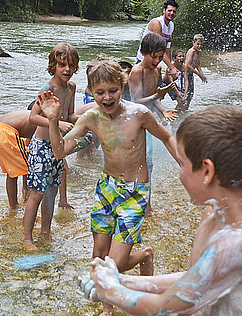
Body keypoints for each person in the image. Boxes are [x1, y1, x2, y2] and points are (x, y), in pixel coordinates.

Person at [79, 105, 242, 315]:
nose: (180, 174)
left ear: (207, 171)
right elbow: (194, 279)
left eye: (182, 163)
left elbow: (164, 307)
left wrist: (110, 291)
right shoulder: (215, 213)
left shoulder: (240, 243)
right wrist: (121, 280)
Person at [37, 58, 179, 315]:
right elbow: (59, 151)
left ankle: (145, 255)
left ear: (121, 86)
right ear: (90, 91)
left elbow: (167, 136)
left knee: (118, 263)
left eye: (112, 90)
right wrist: (53, 120)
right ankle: (108, 309)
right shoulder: (91, 117)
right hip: (107, 188)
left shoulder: (139, 114)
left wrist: (186, 167)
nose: (107, 98)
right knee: (99, 255)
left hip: (135, 191)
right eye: (100, 92)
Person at [23, 42, 79, 251]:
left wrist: (85, 121)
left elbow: (70, 114)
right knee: (36, 192)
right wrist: (56, 122)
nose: (66, 70)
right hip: (41, 146)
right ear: (53, 66)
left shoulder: (71, 87)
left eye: (71, 66)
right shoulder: (48, 88)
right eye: (62, 65)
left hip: (58, 146)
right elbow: (33, 117)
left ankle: (45, 231)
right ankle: (26, 238)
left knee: (52, 191)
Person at [129, 33, 178, 170]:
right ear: (143, 53)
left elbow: (152, 97)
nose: (157, 61)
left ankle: (148, 188)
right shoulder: (138, 71)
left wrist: (164, 111)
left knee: (149, 158)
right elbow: (136, 101)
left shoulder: (158, 69)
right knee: (142, 157)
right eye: (154, 57)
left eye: (161, 57)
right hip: (134, 118)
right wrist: (157, 96)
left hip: (147, 115)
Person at [0, 109, 36, 209]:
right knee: (29, 169)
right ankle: (21, 204)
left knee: (12, 171)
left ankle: (14, 205)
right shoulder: (44, 120)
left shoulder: (29, 116)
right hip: (6, 133)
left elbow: (27, 148)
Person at [136, 0, 178, 69]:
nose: (171, 13)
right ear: (164, 11)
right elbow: (158, 47)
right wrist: (171, 67)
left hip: (155, 61)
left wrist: (169, 67)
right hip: (144, 60)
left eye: (174, 11)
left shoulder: (171, 25)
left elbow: (167, 47)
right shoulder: (157, 23)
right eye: (169, 11)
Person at [183, 34, 208, 111]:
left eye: (201, 44)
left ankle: (185, 111)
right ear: (193, 43)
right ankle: (178, 112)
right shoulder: (192, 52)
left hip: (191, 75)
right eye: (197, 44)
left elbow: (197, 65)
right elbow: (188, 65)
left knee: (190, 95)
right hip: (185, 74)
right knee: (185, 95)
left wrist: (202, 75)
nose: (199, 46)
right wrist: (199, 74)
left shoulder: (199, 52)